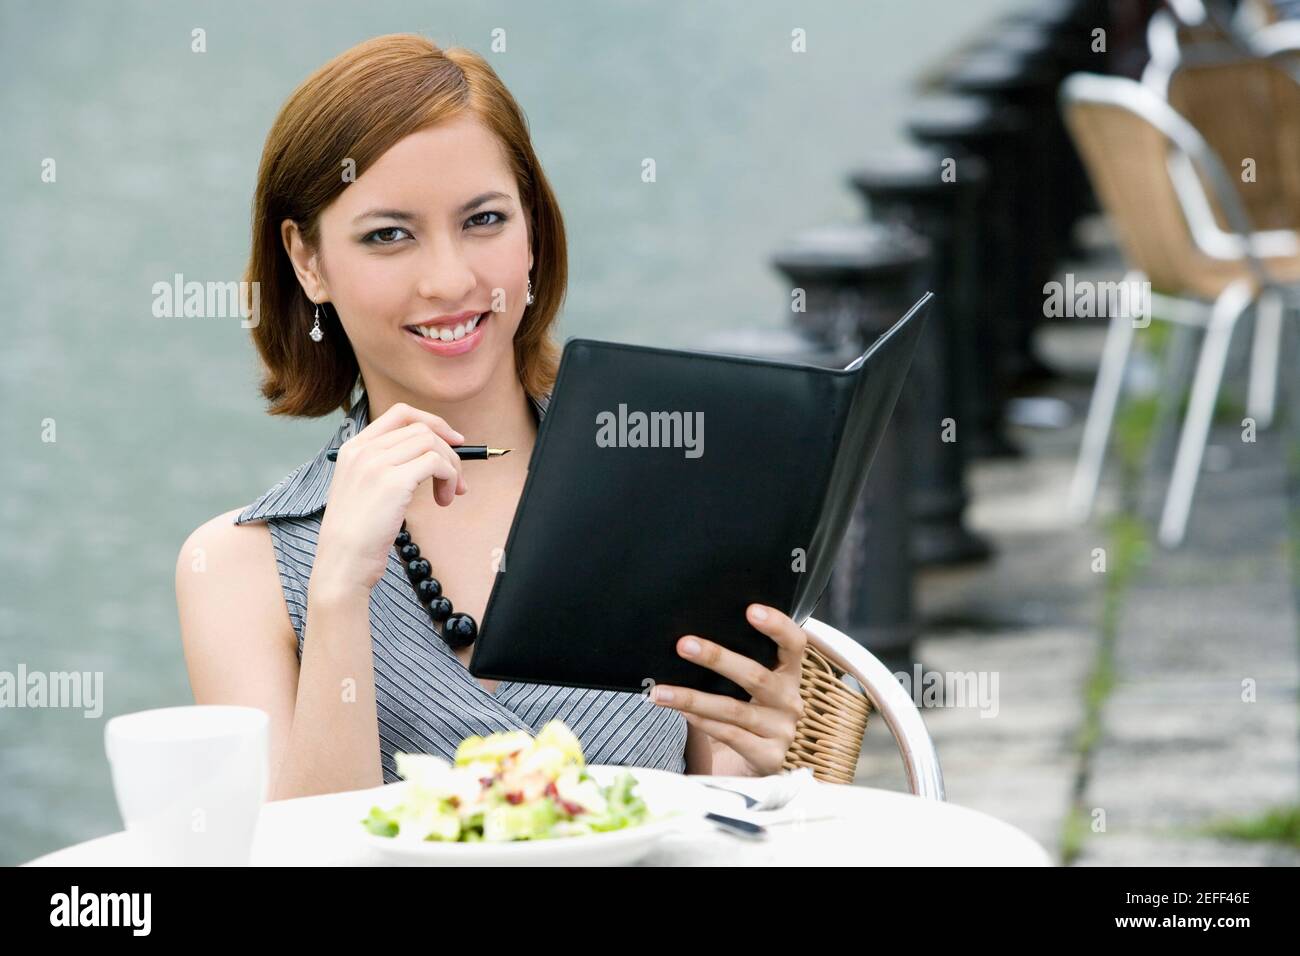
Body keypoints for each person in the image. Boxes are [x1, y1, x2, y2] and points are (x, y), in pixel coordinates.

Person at [175, 34, 806, 801]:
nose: (451, 278)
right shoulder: (237, 570)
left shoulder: (670, 492)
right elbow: (292, 855)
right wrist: (338, 590)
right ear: (308, 261)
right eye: (388, 235)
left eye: (483, 220)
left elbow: (720, 811)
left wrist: (764, 759)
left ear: (533, 232)